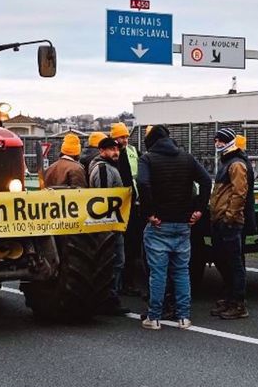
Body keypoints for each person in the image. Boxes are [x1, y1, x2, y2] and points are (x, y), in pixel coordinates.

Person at [136, 124, 211, 330]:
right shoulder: (186, 158)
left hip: (159, 224)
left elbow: (142, 183)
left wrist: (149, 212)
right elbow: (206, 181)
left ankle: (154, 317)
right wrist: (199, 209)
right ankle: (183, 317)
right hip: (183, 224)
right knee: (181, 271)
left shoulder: (148, 159)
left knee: (158, 273)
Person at [209, 128, 254, 320]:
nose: (217, 144)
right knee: (224, 260)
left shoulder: (236, 164)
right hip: (222, 220)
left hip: (230, 222)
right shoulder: (228, 161)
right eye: (216, 140)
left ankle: (238, 303)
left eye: (220, 140)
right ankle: (229, 298)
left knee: (234, 263)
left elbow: (239, 193)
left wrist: (229, 216)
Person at [88, 137, 129, 315]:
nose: (116, 152)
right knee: (114, 261)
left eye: (117, 149)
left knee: (115, 261)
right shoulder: (104, 169)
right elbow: (103, 198)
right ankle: (108, 299)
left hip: (111, 223)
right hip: (109, 225)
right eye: (111, 149)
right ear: (101, 151)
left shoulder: (107, 167)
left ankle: (108, 297)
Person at [111, 122, 145, 296]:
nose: (124, 140)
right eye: (121, 137)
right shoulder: (112, 154)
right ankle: (119, 284)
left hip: (133, 204)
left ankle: (128, 282)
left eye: (125, 137)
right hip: (120, 206)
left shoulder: (132, 151)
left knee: (132, 245)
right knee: (120, 247)